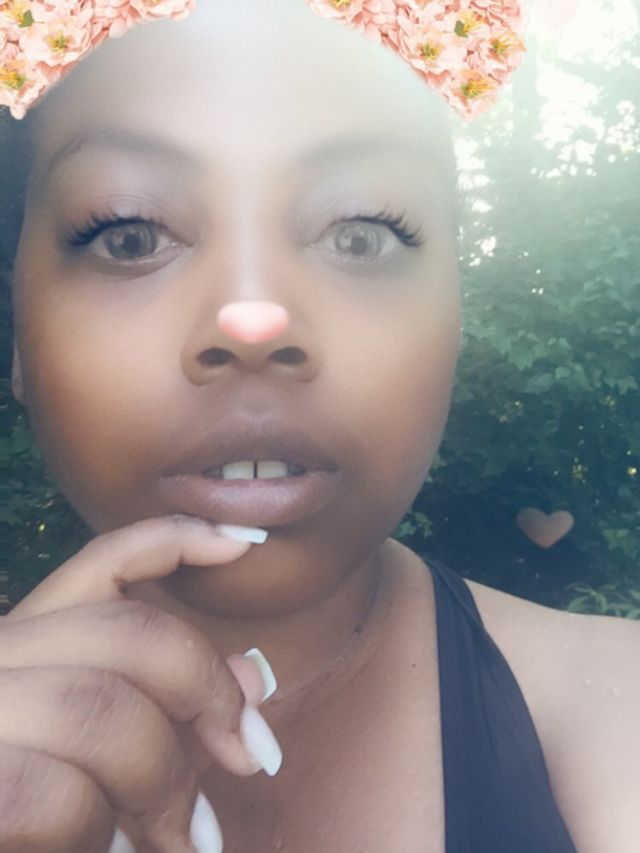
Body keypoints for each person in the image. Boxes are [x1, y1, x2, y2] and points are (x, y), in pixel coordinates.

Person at [1, 1, 639, 851]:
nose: (253, 320)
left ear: (456, 316)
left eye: (362, 234)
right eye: (129, 233)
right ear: (18, 336)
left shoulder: (616, 713)